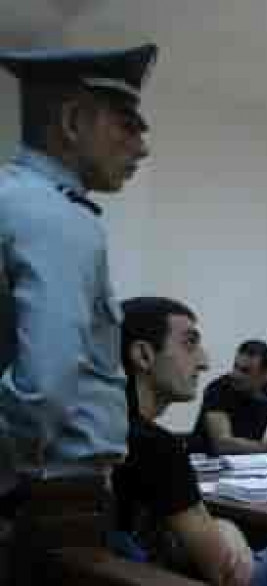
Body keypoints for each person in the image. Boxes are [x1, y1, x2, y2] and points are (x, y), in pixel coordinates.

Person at [0, 45, 157, 580]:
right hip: (50, 498)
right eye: (127, 124)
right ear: (71, 121)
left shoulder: (16, 197)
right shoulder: (57, 217)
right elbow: (44, 387)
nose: (142, 146)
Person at [112, 296, 267, 586]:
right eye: (190, 343)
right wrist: (227, 528)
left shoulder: (106, 433)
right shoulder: (156, 446)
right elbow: (226, 571)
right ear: (144, 355)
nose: (204, 362)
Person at [193, 339, 267, 457]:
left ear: (266, 374)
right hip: (206, 459)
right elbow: (222, 444)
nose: (236, 375)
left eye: (245, 371)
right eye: (235, 366)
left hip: (245, 461)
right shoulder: (217, 389)